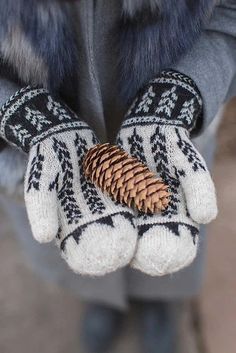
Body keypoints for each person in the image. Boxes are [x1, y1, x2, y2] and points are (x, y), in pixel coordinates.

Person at [0, 1, 235, 352]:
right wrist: (15, 107)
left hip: (168, 135)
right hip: (39, 152)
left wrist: (185, 88)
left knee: (168, 239)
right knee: (87, 240)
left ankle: (158, 297)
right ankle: (102, 296)